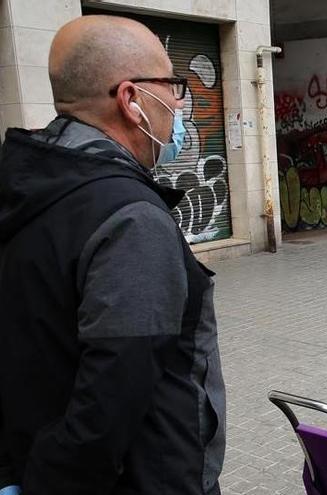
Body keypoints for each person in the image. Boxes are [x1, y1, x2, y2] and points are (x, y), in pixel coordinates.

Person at [0, 16, 225, 494]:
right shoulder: (131, 220)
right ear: (131, 100)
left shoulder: (29, 185)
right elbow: (112, 399)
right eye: (173, 85)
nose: (181, 103)